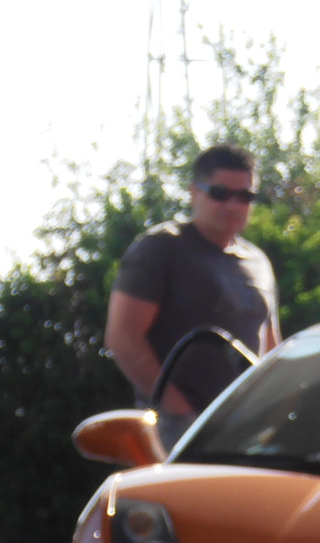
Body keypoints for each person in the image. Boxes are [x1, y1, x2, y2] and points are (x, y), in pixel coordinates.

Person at [105, 144, 280, 429]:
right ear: (193, 191)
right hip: (177, 428)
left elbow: (272, 348)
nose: (233, 205)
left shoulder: (258, 262)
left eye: (245, 196)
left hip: (247, 428)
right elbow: (122, 338)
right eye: (220, 194)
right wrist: (178, 410)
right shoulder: (161, 248)